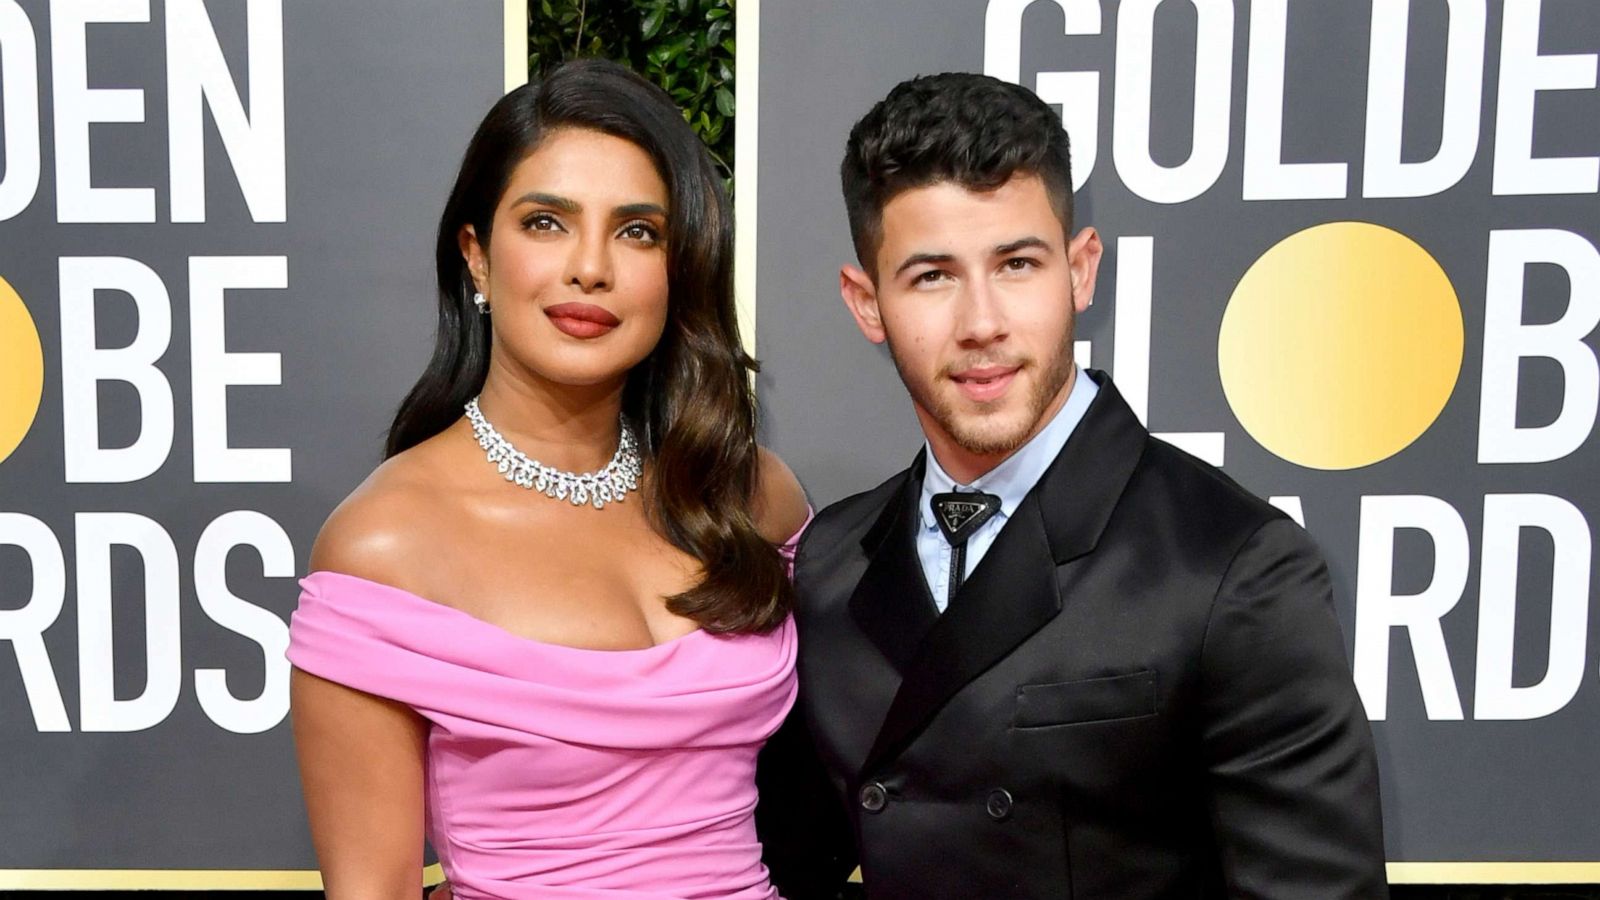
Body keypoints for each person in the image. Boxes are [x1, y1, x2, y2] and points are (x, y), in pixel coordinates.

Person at [756, 72, 1388, 899]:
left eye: (1016, 264)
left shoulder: (1233, 568)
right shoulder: (831, 565)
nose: (982, 322)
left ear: (1080, 271)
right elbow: (769, 869)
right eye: (932, 277)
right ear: (866, 302)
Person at [287, 59, 808, 900]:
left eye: (637, 231)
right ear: (478, 258)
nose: (591, 267)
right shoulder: (384, 547)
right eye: (546, 223)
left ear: (680, 269)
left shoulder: (750, 494)